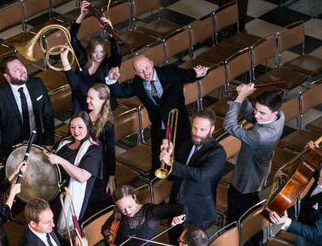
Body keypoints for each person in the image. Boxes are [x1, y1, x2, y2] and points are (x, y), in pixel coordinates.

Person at [107, 55, 207, 171]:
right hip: (159, 128)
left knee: (182, 157)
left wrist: (202, 72)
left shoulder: (169, 72)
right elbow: (121, 92)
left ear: (152, 63)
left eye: (147, 68)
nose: (146, 73)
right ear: (136, 72)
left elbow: (190, 75)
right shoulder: (138, 83)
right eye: (140, 71)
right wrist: (112, 80)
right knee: (157, 163)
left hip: (179, 124)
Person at [225, 85, 285, 230]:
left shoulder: (260, 135)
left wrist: (240, 97)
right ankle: (253, 238)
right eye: (256, 109)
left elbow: (229, 126)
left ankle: (234, 243)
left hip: (247, 177)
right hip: (259, 171)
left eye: (262, 113)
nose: (257, 115)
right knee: (251, 208)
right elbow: (252, 117)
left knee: (236, 218)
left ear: (274, 112)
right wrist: (243, 96)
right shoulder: (279, 116)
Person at [159, 108, 226, 238]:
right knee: (173, 239)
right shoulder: (187, 143)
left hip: (197, 210)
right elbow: (175, 173)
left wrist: (171, 163)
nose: (197, 133)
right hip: (177, 202)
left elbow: (199, 175)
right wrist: (169, 154)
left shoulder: (218, 153)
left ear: (212, 129)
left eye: (202, 130)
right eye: (195, 128)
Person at [63, 0, 121, 113]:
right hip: (79, 104)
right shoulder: (83, 59)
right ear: (89, 51)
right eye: (95, 52)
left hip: (99, 109)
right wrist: (82, 15)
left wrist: (110, 30)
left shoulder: (108, 65)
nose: (99, 55)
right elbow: (72, 38)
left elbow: (117, 54)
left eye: (102, 51)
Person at [50, 111, 102, 232]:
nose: (76, 131)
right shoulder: (65, 142)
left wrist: (61, 160)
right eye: (72, 127)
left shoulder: (94, 149)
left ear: (88, 127)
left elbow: (82, 176)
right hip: (54, 191)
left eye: (80, 127)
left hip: (71, 197)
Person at [0, 56, 55, 153]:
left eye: (21, 65)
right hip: (11, 148)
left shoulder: (37, 83)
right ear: (7, 76)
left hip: (36, 142)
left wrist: (49, 141)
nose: (22, 70)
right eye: (16, 69)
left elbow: (48, 114)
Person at [85, 84, 116, 214]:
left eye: (91, 98)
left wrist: (111, 179)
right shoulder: (85, 115)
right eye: (87, 97)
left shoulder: (107, 125)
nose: (87, 100)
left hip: (99, 171)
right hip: (86, 164)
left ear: (102, 100)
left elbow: (110, 153)